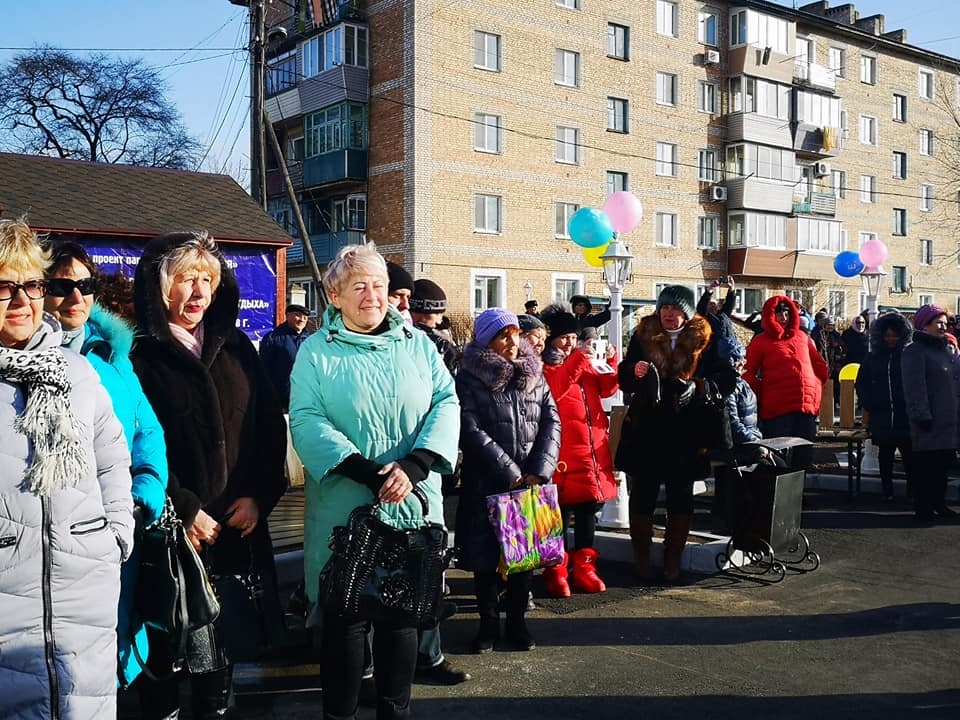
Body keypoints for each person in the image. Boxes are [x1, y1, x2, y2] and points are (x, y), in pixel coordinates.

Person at [289, 243, 460, 720]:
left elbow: (446, 402)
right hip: (345, 503)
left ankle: (395, 710)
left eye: (380, 286)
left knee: (401, 618)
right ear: (334, 294)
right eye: (359, 286)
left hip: (412, 498)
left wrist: (417, 464)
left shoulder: (418, 345)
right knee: (344, 618)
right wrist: (367, 471)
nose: (372, 296)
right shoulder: (315, 354)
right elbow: (306, 419)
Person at [130, 231, 288, 719]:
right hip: (169, 535)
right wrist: (184, 508)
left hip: (233, 527)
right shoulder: (138, 355)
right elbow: (132, 446)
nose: (198, 292)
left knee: (218, 656)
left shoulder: (239, 347)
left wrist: (259, 496)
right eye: (184, 279)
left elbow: (268, 430)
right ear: (159, 288)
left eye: (206, 279)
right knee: (162, 657)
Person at [0, 219, 134, 719]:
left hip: (86, 590)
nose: (22, 301)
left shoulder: (77, 372)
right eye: (4, 287)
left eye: (31, 285)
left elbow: (112, 455)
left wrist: (116, 534)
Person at [43, 241, 169, 692]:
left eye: (85, 285)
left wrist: (145, 494)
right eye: (61, 286)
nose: (76, 298)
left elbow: (147, 431)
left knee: (112, 652)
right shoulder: (24, 359)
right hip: (49, 541)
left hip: (116, 530)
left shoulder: (114, 356)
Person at [455, 308, 560, 653]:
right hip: (487, 481)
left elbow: (551, 422)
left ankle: (517, 624)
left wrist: (539, 469)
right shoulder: (469, 377)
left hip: (529, 481)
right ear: (487, 341)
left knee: (524, 558)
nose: (513, 342)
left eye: (516, 334)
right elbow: (469, 428)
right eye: (504, 335)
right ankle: (487, 627)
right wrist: (509, 471)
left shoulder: (535, 375)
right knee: (485, 561)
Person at [617, 285, 737, 584]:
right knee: (642, 492)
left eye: (675, 309)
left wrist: (698, 387)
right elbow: (624, 376)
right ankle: (641, 557)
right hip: (648, 429)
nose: (669, 314)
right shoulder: (643, 335)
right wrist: (635, 372)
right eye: (664, 308)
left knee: (680, 495)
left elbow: (727, 379)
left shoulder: (706, 339)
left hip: (686, 432)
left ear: (686, 312)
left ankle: (673, 558)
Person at [540, 303, 619, 596]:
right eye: (564, 338)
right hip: (561, 452)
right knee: (558, 513)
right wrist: (577, 360)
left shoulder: (580, 362)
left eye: (573, 337)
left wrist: (613, 362)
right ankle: (555, 569)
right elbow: (557, 388)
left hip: (589, 450)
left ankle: (585, 567)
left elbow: (608, 389)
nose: (570, 343)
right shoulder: (545, 364)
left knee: (587, 511)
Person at [743, 296, 829, 447]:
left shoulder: (802, 337)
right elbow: (747, 372)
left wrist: (814, 386)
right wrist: (761, 393)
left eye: (787, 314)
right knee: (779, 455)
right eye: (779, 314)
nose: (783, 318)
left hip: (805, 405)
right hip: (777, 408)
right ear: (770, 315)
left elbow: (819, 365)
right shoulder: (761, 340)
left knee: (804, 453)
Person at [900, 305, 960, 522]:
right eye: (938, 323)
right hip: (928, 420)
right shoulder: (914, 351)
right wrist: (921, 414)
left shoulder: (946, 351)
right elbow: (914, 386)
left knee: (943, 465)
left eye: (945, 323)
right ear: (925, 325)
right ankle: (923, 506)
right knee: (927, 467)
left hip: (948, 419)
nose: (944, 326)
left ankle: (939, 503)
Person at [855, 311, 914, 501]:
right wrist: (870, 403)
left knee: (909, 456)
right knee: (885, 455)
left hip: (905, 415)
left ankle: (912, 492)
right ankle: (886, 490)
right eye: (887, 335)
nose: (891, 339)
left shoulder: (908, 356)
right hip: (882, 415)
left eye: (894, 335)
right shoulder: (874, 357)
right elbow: (861, 382)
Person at [259, 303, 312, 410]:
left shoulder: (311, 340)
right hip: (280, 399)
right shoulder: (273, 338)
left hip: (305, 399)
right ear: (287, 316)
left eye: (305, 317)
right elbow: (263, 369)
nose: (302, 319)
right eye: (298, 315)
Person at [410, 278, 459, 373]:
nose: (439, 322)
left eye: (441, 314)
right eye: (436, 314)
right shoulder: (412, 342)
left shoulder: (442, 341)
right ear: (418, 311)